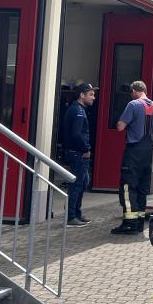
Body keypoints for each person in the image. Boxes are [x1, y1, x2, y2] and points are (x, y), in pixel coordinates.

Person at [111, 80, 153, 236]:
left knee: (128, 187)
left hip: (133, 151)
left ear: (134, 91)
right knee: (141, 188)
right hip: (148, 151)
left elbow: (120, 126)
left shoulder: (133, 105)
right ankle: (139, 223)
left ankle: (129, 224)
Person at [60, 83, 95, 227]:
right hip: (78, 153)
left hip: (77, 152)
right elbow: (76, 134)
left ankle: (77, 213)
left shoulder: (78, 109)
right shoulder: (78, 111)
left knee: (83, 182)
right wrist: (85, 148)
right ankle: (71, 217)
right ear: (82, 95)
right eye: (91, 94)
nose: (94, 97)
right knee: (77, 184)